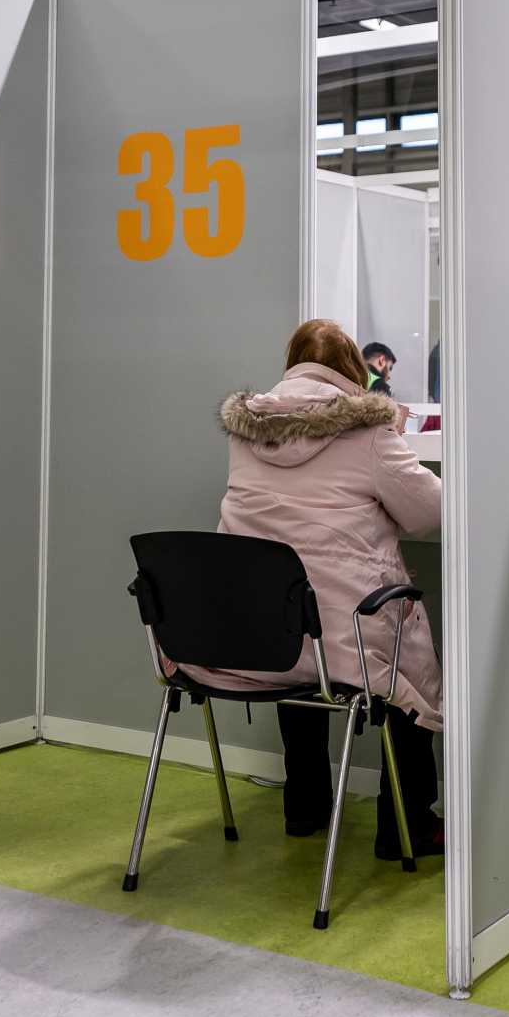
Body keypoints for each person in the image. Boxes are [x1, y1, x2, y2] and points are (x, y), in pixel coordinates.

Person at [193, 319, 445, 858]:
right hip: (347, 635)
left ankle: (305, 808)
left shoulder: (247, 430)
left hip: (259, 636)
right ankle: (408, 828)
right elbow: (431, 512)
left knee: (298, 630)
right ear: (353, 373)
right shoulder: (369, 432)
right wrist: (395, 439)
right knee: (403, 669)